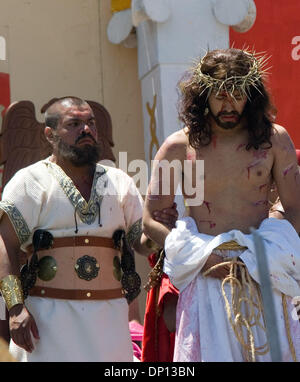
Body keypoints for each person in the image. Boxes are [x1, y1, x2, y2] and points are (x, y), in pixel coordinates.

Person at [143, 48, 300, 362]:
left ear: (251, 95)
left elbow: (295, 209)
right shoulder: (179, 146)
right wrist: (202, 258)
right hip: (206, 274)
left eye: (238, 95)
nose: (229, 105)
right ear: (203, 96)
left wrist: (266, 253)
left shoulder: (275, 140)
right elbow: (149, 220)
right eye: (219, 95)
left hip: (265, 273)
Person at [0, 96, 169, 362]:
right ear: (50, 134)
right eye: (74, 124)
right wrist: (15, 307)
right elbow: (5, 244)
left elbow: (141, 242)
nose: (86, 130)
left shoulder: (119, 182)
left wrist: (161, 230)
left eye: (90, 123)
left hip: (110, 320)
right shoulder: (29, 181)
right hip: (47, 320)